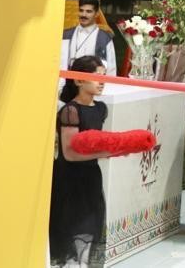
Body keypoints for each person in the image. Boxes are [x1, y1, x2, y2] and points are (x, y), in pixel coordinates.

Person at [49, 55, 111, 267]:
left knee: (91, 227)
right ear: (78, 80)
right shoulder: (70, 111)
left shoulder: (101, 109)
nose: (102, 81)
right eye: (96, 76)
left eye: (104, 76)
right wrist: (103, 153)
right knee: (74, 228)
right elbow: (69, 154)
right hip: (70, 179)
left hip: (91, 176)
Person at [59, 0, 117, 91]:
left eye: (88, 11)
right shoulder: (66, 34)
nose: (84, 15)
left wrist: (107, 91)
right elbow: (59, 63)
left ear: (96, 14)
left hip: (92, 88)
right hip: (67, 87)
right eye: (81, 10)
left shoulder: (104, 38)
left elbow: (111, 70)